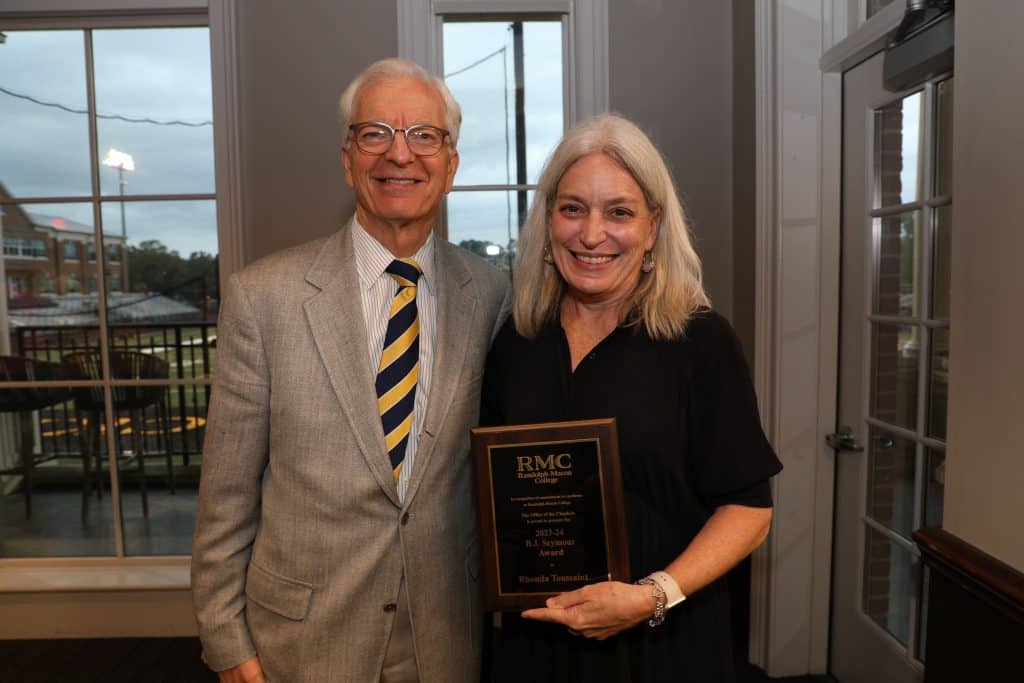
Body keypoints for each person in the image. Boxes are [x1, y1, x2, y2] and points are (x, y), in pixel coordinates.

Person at [191, 58, 510, 683]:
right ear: (347, 159)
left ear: (450, 165)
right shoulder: (264, 297)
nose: (400, 154)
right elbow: (225, 496)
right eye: (375, 134)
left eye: (424, 135)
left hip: (447, 636)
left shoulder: (493, 294)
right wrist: (228, 644)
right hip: (303, 642)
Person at [480, 113, 782, 682]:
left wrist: (650, 597)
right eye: (572, 208)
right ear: (548, 222)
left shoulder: (699, 341)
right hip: (536, 645)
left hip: (661, 644)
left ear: (653, 227)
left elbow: (749, 511)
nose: (592, 234)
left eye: (618, 212)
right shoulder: (518, 340)